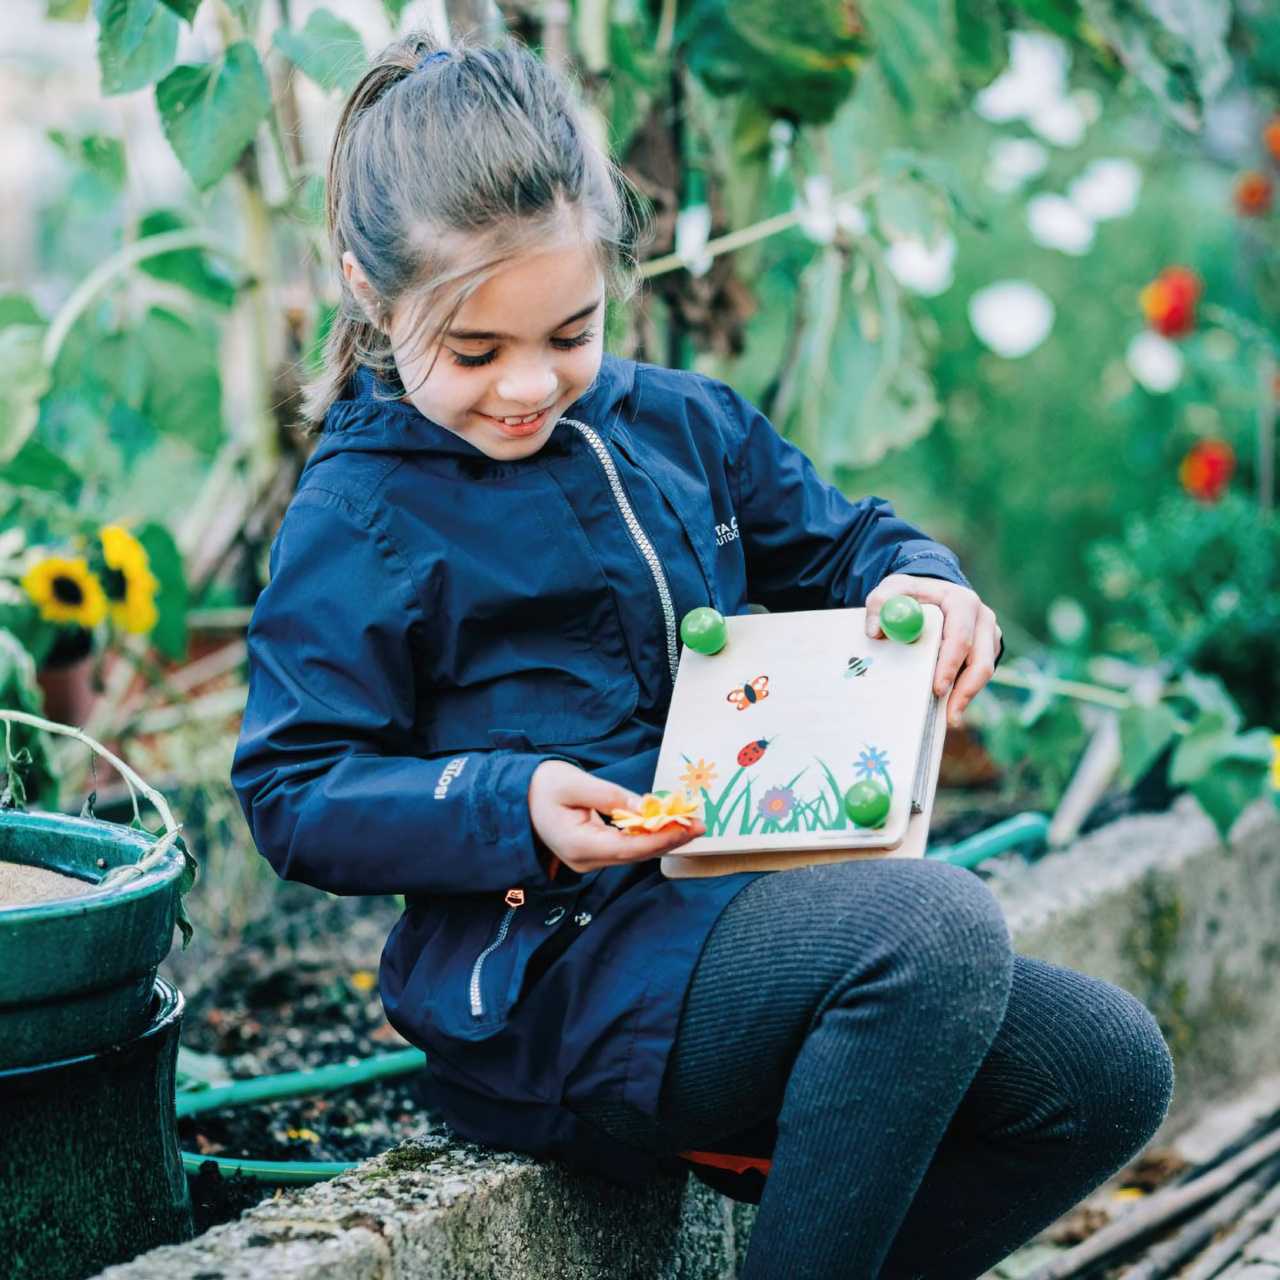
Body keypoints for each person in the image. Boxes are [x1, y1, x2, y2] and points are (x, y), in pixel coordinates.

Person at [232, 35, 1174, 1279]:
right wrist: (511, 802)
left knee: (1102, 1072)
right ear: (367, 289)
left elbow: (845, 542)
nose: (528, 385)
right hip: (555, 977)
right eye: (474, 352)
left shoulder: (678, 424)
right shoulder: (360, 516)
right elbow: (294, 787)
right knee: (931, 922)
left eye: (570, 330)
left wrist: (922, 583)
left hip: (738, 919)